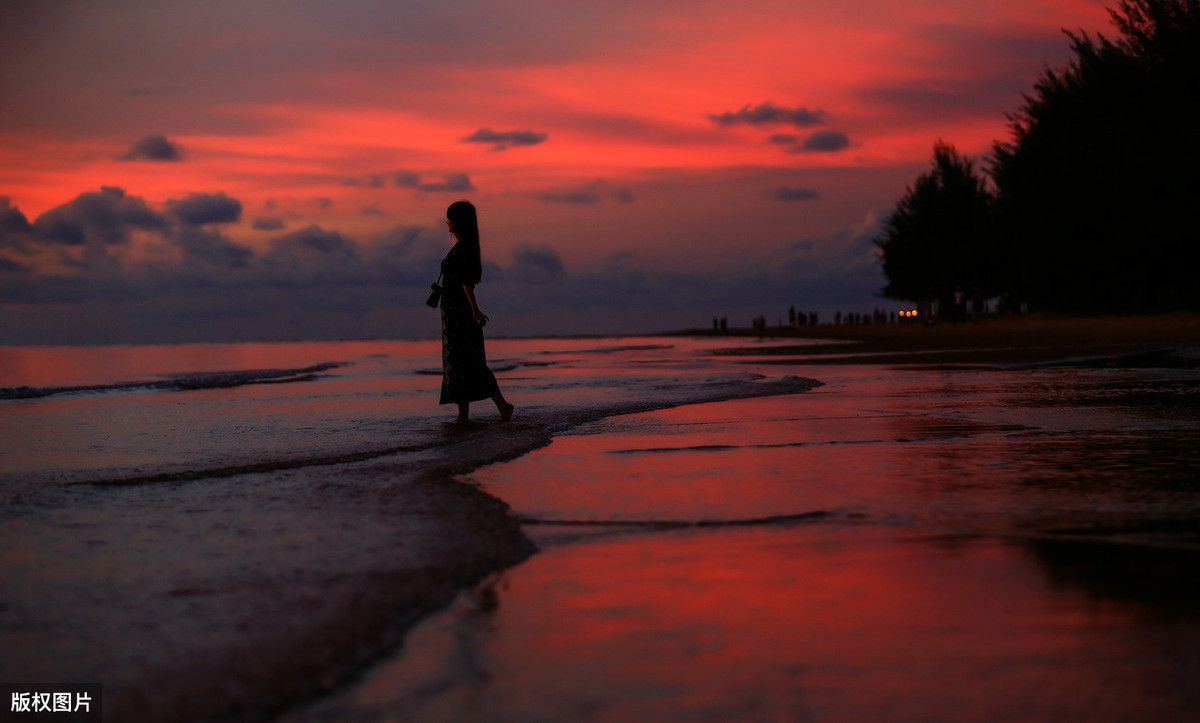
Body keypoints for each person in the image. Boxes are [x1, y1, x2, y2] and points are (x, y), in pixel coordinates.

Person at [437, 200, 513, 424]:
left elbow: (466, 283)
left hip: (459, 313)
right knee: (461, 361)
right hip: (452, 312)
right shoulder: (464, 246)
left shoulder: (464, 248)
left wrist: (474, 310)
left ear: (458, 221)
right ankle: (465, 415)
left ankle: (501, 406)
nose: (447, 221)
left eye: (449, 217)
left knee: (468, 362)